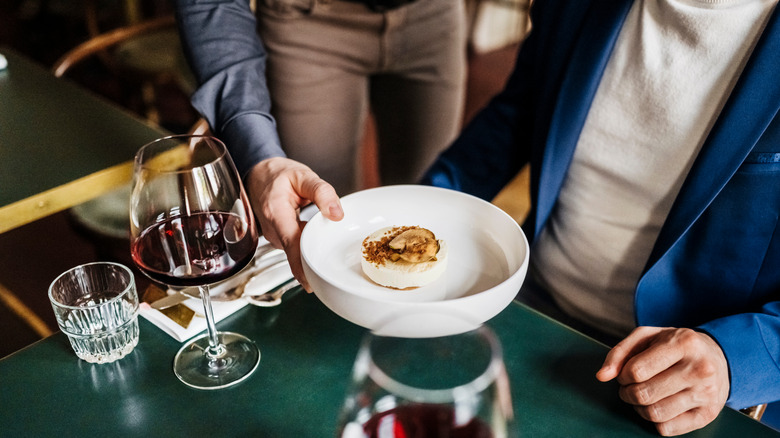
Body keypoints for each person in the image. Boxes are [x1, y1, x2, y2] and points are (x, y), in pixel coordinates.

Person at [419, 0, 780, 435]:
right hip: (528, 315)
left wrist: (735, 358)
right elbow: (516, 116)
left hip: (680, 393)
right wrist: (423, 211)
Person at [174, 0, 467, 291]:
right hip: (307, 22)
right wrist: (261, 157)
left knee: (428, 200)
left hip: (433, 14)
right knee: (322, 226)